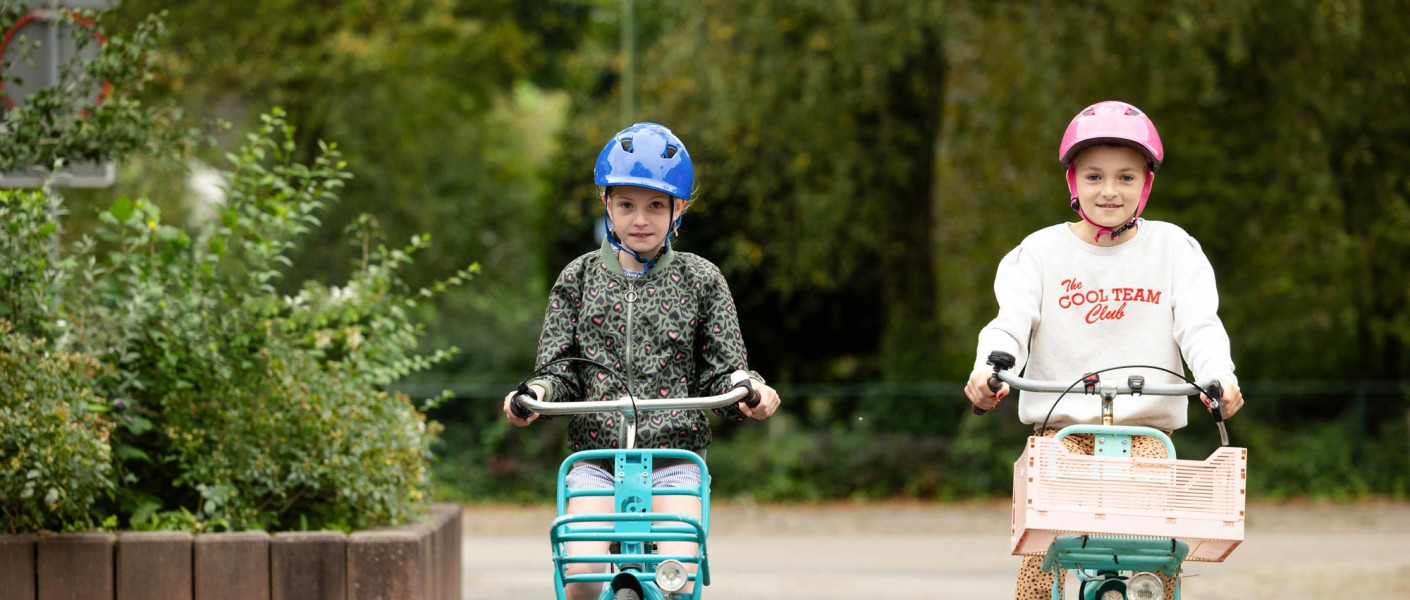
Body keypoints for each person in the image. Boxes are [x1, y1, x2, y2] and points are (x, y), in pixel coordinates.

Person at [962, 100, 1245, 600]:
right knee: (1040, 563)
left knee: (1155, 561)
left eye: (1125, 177)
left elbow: (1199, 325)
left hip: (1146, 436)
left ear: (1146, 184)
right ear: (1073, 183)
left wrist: (1218, 375)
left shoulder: (1174, 249)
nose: (1109, 191)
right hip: (1062, 433)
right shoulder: (1040, 252)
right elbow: (1010, 325)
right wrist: (990, 371)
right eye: (1094, 177)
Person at [503, 122, 782, 600]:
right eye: (626, 204)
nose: (640, 219)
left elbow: (724, 370)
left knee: (676, 569)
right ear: (607, 205)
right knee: (582, 568)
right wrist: (535, 396)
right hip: (596, 459)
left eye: (656, 205)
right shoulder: (579, 279)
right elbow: (558, 370)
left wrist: (748, 389)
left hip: (674, 456)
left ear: (679, 209)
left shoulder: (702, 280)